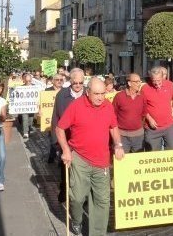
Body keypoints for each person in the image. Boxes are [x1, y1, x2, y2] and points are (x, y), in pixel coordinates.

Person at [56, 77, 124, 236]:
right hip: (80, 158)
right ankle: (77, 220)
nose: (101, 97)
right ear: (87, 93)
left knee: (102, 201)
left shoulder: (107, 106)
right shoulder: (76, 106)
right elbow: (60, 129)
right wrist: (66, 150)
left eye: (103, 93)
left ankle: (97, 233)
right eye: (96, 94)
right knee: (77, 198)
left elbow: (113, 127)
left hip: (102, 161)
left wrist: (118, 145)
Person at [51, 68, 85, 202]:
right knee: (66, 166)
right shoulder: (62, 95)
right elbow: (56, 118)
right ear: (70, 81)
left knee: (82, 168)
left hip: (83, 138)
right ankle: (64, 189)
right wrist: (56, 141)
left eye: (81, 83)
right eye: (75, 82)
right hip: (66, 137)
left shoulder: (88, 94)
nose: (78, 85)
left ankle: (81, 194)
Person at [140, 66, 173, 151]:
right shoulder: (145, 88)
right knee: (153, 154)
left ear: (163, 77)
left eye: (159, 81)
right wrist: (149, 118)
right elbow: (142, 106)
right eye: (154, 81)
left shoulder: (169, 85)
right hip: (152, 128)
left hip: (169, 126)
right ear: (151, 78)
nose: (157, 83)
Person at [112, 73, 146, 153]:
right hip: (122, 137)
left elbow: (144, 114)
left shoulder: (142, 97)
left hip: (138, 136)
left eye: (140, 81)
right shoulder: (119, 96)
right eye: (136, 82)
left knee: (137, 162)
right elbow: (113, 115)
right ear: (129, 83)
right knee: (122, 162)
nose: (139, 84)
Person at [19, 73, 36, 138]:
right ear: (24, 80)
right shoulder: (21, 88)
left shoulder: (35, 87)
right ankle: (25, 132)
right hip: (24, 106)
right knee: (24, 118)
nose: (28, 82)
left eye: (29, 81)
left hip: (32, 106)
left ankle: (29, 128)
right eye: (27, 81)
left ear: (31, 80)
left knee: (31, 119)